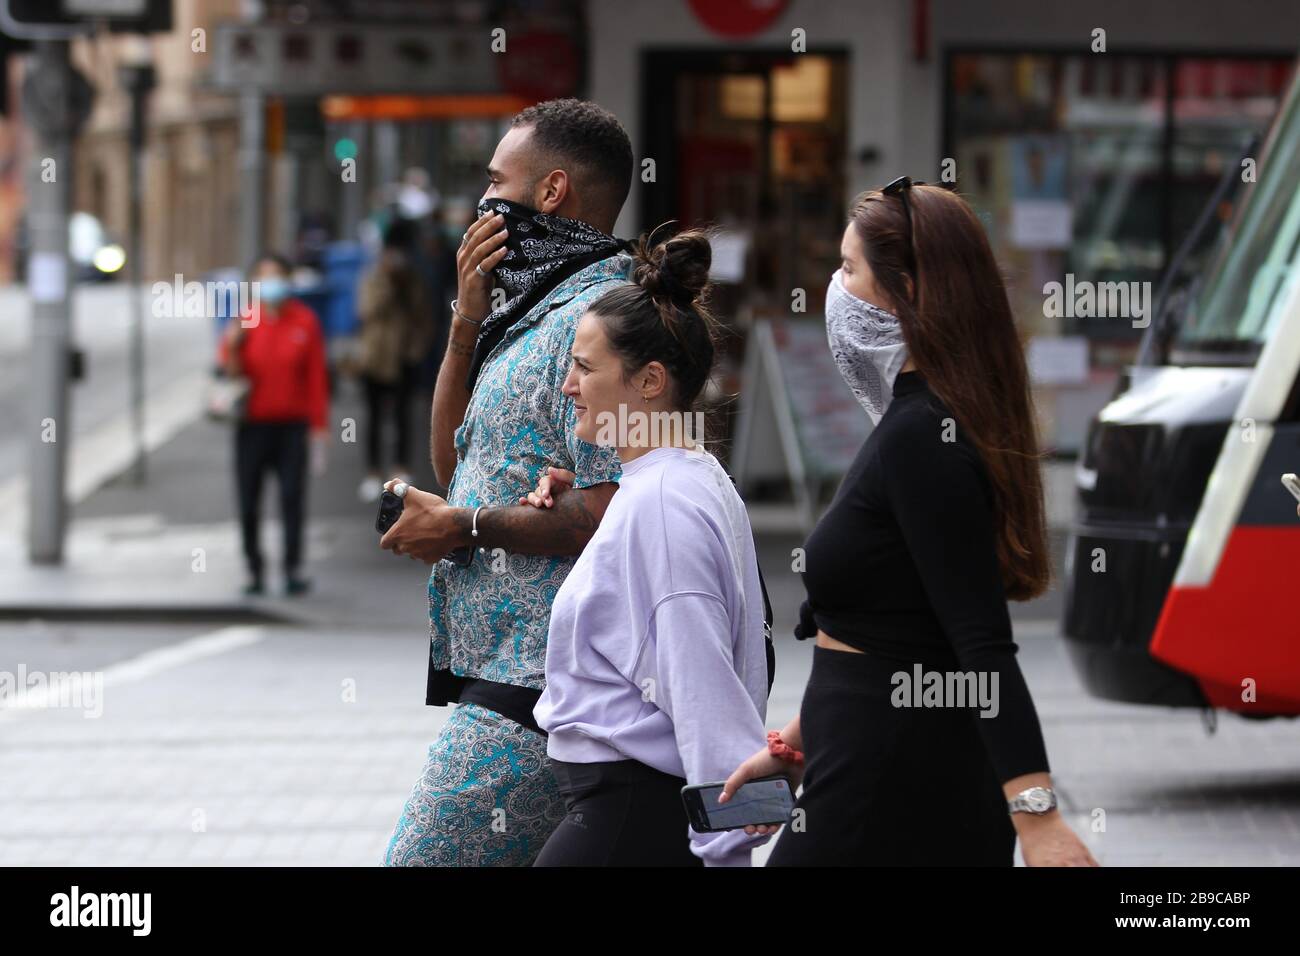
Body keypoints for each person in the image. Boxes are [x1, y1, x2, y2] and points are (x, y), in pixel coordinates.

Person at [722, 180, 1097, 867]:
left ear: (909, 292)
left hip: (889, 776)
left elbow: (981, 646)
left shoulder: (926, 434)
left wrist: (1038, 819)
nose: (834, 289)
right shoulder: (920, 421)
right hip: (863, 757)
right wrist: (795, 746)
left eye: (847, 268)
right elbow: (895, 623)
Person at [377, 99, 635, 866]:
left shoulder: (607, 315)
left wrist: (463, 527)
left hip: (546, 677)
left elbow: (608, 510)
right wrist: (465, 326)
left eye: (497, 181)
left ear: (550, 191)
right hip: (494, 663)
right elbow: (456, 470)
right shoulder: (528, 307)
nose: (483, 200)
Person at [519, 230, 770, 867]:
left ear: (650, 380)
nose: (569, 385)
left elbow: (701, 678)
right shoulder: (685, 479)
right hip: (630, 806)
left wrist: (728, 847)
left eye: (585, 367)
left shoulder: (660, 502)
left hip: (631, 811)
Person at [218, 252, 329, 596]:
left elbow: (315, 378)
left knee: (292, 497)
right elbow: (228, 373)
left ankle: (293, 568)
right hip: (251, 426)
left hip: (292, 427)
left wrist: (319, 427)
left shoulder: (305, 321)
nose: (271, 284)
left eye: (276, 276)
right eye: (263, 277)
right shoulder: (245, 320)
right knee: (249, 500)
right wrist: (234, 347)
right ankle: (254, 569)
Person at [355, 220, 432, 502]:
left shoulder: (414, 279)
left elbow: (423, 315)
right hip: (375, 359)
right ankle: (373, 472)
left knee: (403, 416)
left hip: (405, 357)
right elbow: (367, 311)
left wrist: (419, 347)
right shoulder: (373, 278)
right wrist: (389, 282)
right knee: (374, 418)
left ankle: (402, 468)